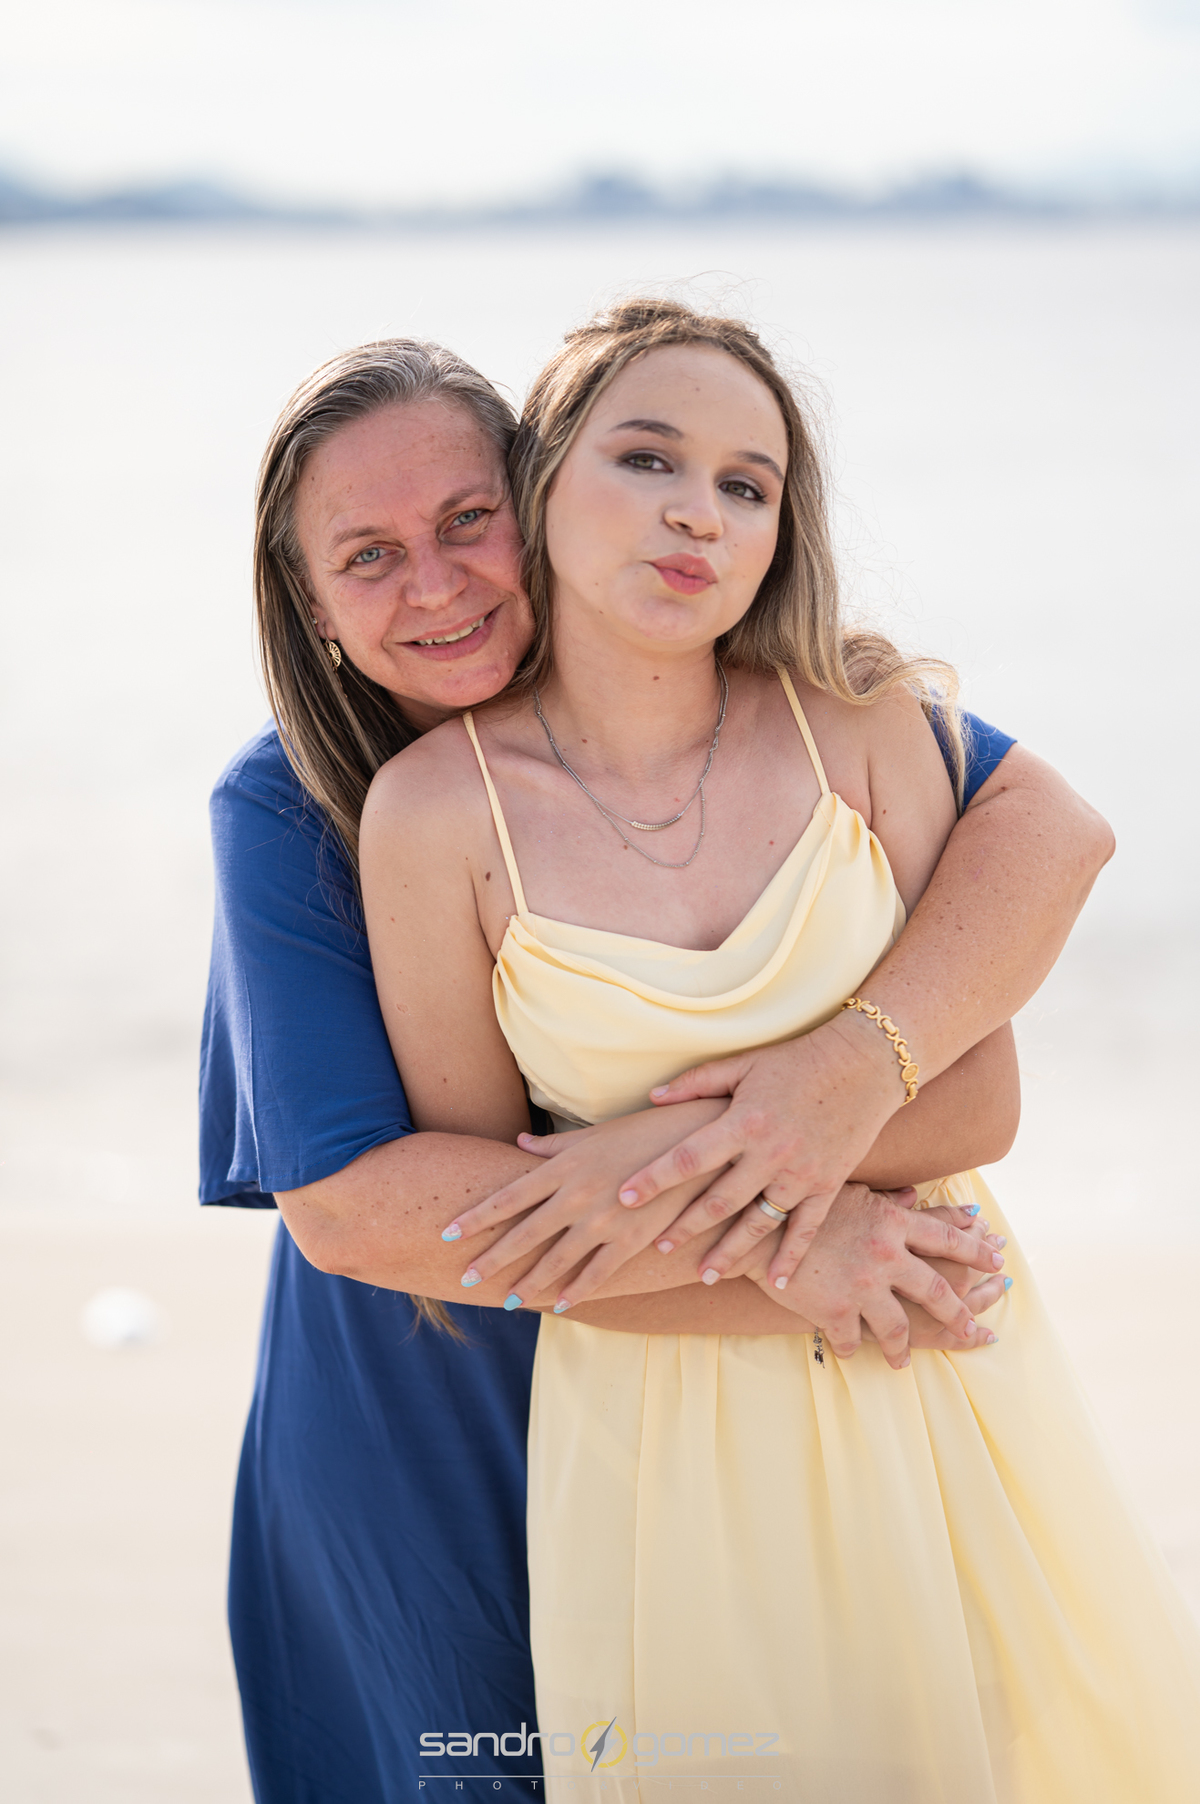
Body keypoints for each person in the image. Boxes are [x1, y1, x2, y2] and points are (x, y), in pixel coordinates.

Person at [202, 337, 1115, 1803]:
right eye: (367, 556)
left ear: (537, 497)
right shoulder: (298, 805)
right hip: (432, 1401)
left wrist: (846, 1067)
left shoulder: (749, 703)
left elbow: (1047, 830)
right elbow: (358, 1211)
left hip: (741, 1410)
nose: (435, 585)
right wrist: (793, 1242)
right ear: (308, 605)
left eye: (467, 520)